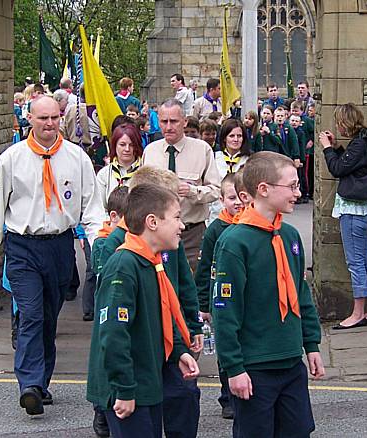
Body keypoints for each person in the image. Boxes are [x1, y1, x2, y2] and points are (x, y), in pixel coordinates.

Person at [0, 96, 104, 415]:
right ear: (29, 120)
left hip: (60, 246)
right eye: (43, 118)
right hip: (23, 247)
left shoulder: (77, 158)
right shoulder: (11, 159)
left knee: (48, 317)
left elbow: (91, 209)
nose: (49, 124)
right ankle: (29, 383)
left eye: (55, 117)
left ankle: (41, 381)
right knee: (31, 314)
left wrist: (99, 248)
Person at [213, 151, 325, 437]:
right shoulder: (235, 242)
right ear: (263, 189)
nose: (298, 193)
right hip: (255, 366)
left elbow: (301, 293)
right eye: (292, 186)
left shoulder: (289, 236)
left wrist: (311, 343)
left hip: (290, 361)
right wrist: (233, 368)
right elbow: (225, 310)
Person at [93, 167, 205, 438]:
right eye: (177, 218)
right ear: (152, 222)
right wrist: (124, 389)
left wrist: (179, 351)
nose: (182, 225)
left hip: (148, 380)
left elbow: (163, 315)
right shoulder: (124, 265)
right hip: (132, 386)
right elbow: (114, 334)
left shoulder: (151, 261)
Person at [319, 103, 367, 329]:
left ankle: (358, 312)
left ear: (345, 122)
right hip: (361, 208)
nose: (338, 127)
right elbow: (351, 165)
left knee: (356, 262)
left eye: (339, 122)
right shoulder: (365, 141)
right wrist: (338, 148)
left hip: (353, 209)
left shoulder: (360, 143)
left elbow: (338, 169)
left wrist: (327, 149)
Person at [143, 99, 221, 271]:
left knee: (190, 287)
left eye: (174, 121)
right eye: (164, 121)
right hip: (157, 234)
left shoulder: (202, 150)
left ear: (184, 122)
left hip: (191, 234)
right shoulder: (150, 151)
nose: (169, 127)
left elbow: (216, 190)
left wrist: (193, 191)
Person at [195, 173, 243, 420]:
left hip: (244, 301)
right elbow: (203, 270)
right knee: (226, 348)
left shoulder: (249, 226)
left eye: (240, 197)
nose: (237, 203)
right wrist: (203, 304)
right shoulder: (215, 229)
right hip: (220, 300)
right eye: (231, 198)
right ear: (222, 200)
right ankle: (228, 397)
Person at [96, 123, 143, 210]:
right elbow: (99, 208)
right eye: (122, 144)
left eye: (131, 145)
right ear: (114, 145)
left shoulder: (145, 173)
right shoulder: (104, 174)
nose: (127, 149)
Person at [288, 113, 308, 204]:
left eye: (296, 121)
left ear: (300, 123)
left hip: (299, 157)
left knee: (301, 176)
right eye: (292, 120)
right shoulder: (288, 131)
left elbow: (302, 146)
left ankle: (304, 194)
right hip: (291, 156)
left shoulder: (301, 133)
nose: (294, 123)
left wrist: (301, 158)